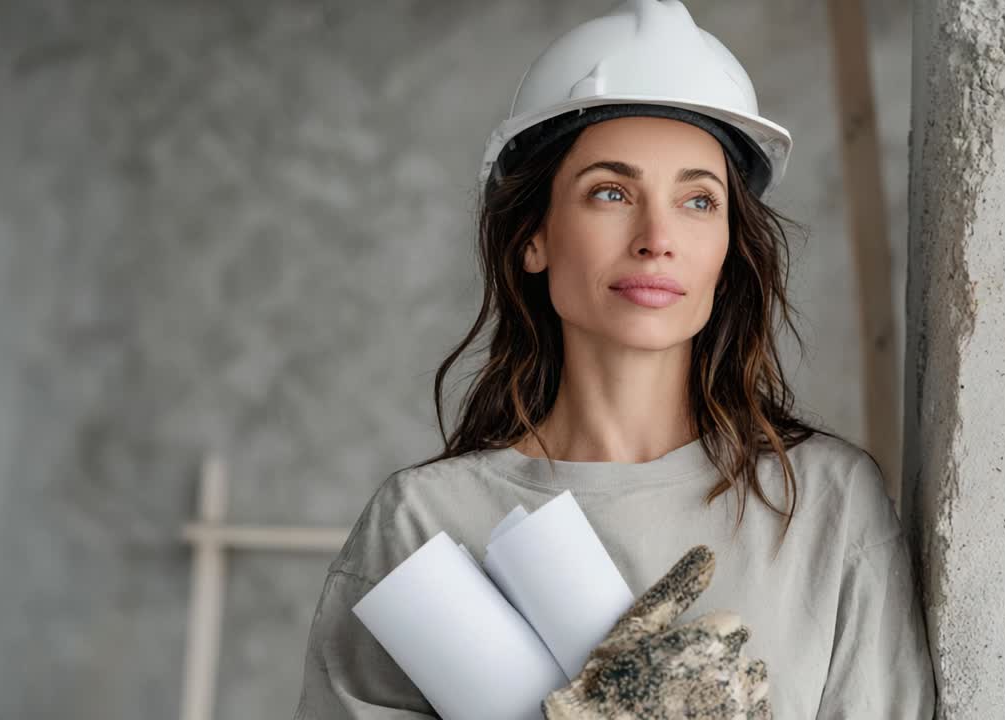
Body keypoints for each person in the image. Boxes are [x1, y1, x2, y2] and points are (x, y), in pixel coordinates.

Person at [293, 1, 935, 718]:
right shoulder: (422, 527)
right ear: (534, 236)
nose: (657, 236)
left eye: (698, 201)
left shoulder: (821, 506)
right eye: (610, 192)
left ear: (728, 250)